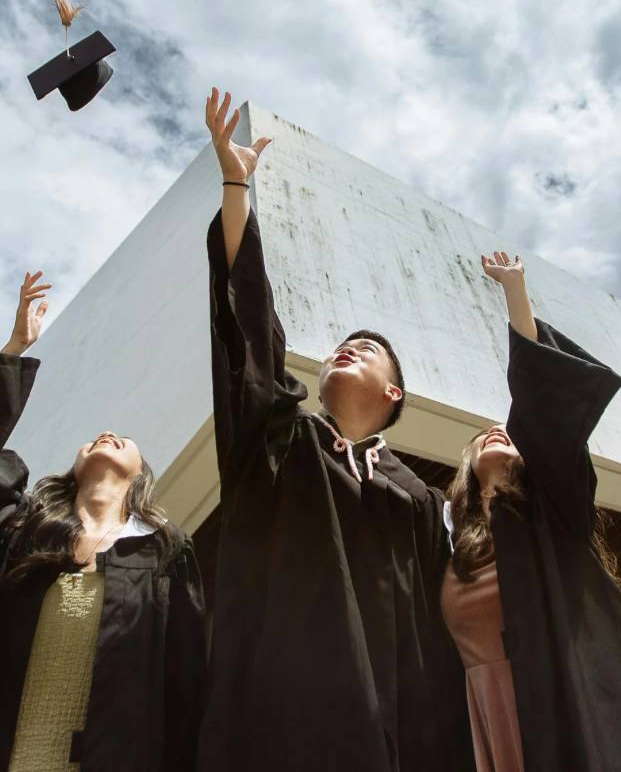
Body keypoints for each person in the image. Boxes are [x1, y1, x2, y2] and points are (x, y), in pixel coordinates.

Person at [197, 88, 470, 772]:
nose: (344, 349)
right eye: (339, 347)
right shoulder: (281, 443)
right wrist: (236, 187)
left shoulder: (421, 503)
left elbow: (443, 633)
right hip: (279, 726)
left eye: (365, 349)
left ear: (394, 393)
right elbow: (248, 330)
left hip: (400, 735)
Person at [0, 271, 206, 772]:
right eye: (93, 437)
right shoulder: (17, 529)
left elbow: (185, 685)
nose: (106, 433)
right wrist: (13, 351)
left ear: (140, 473)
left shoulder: (163, 553)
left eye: (122, 439)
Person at [441, 251, 621, 772]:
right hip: (488, 714)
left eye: (507, 432)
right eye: (483, 437)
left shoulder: (554, 510)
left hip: (569, 702)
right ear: (467, 464)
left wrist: (515, 293)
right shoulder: (449, 541)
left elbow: (542, 404)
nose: (496, 432)